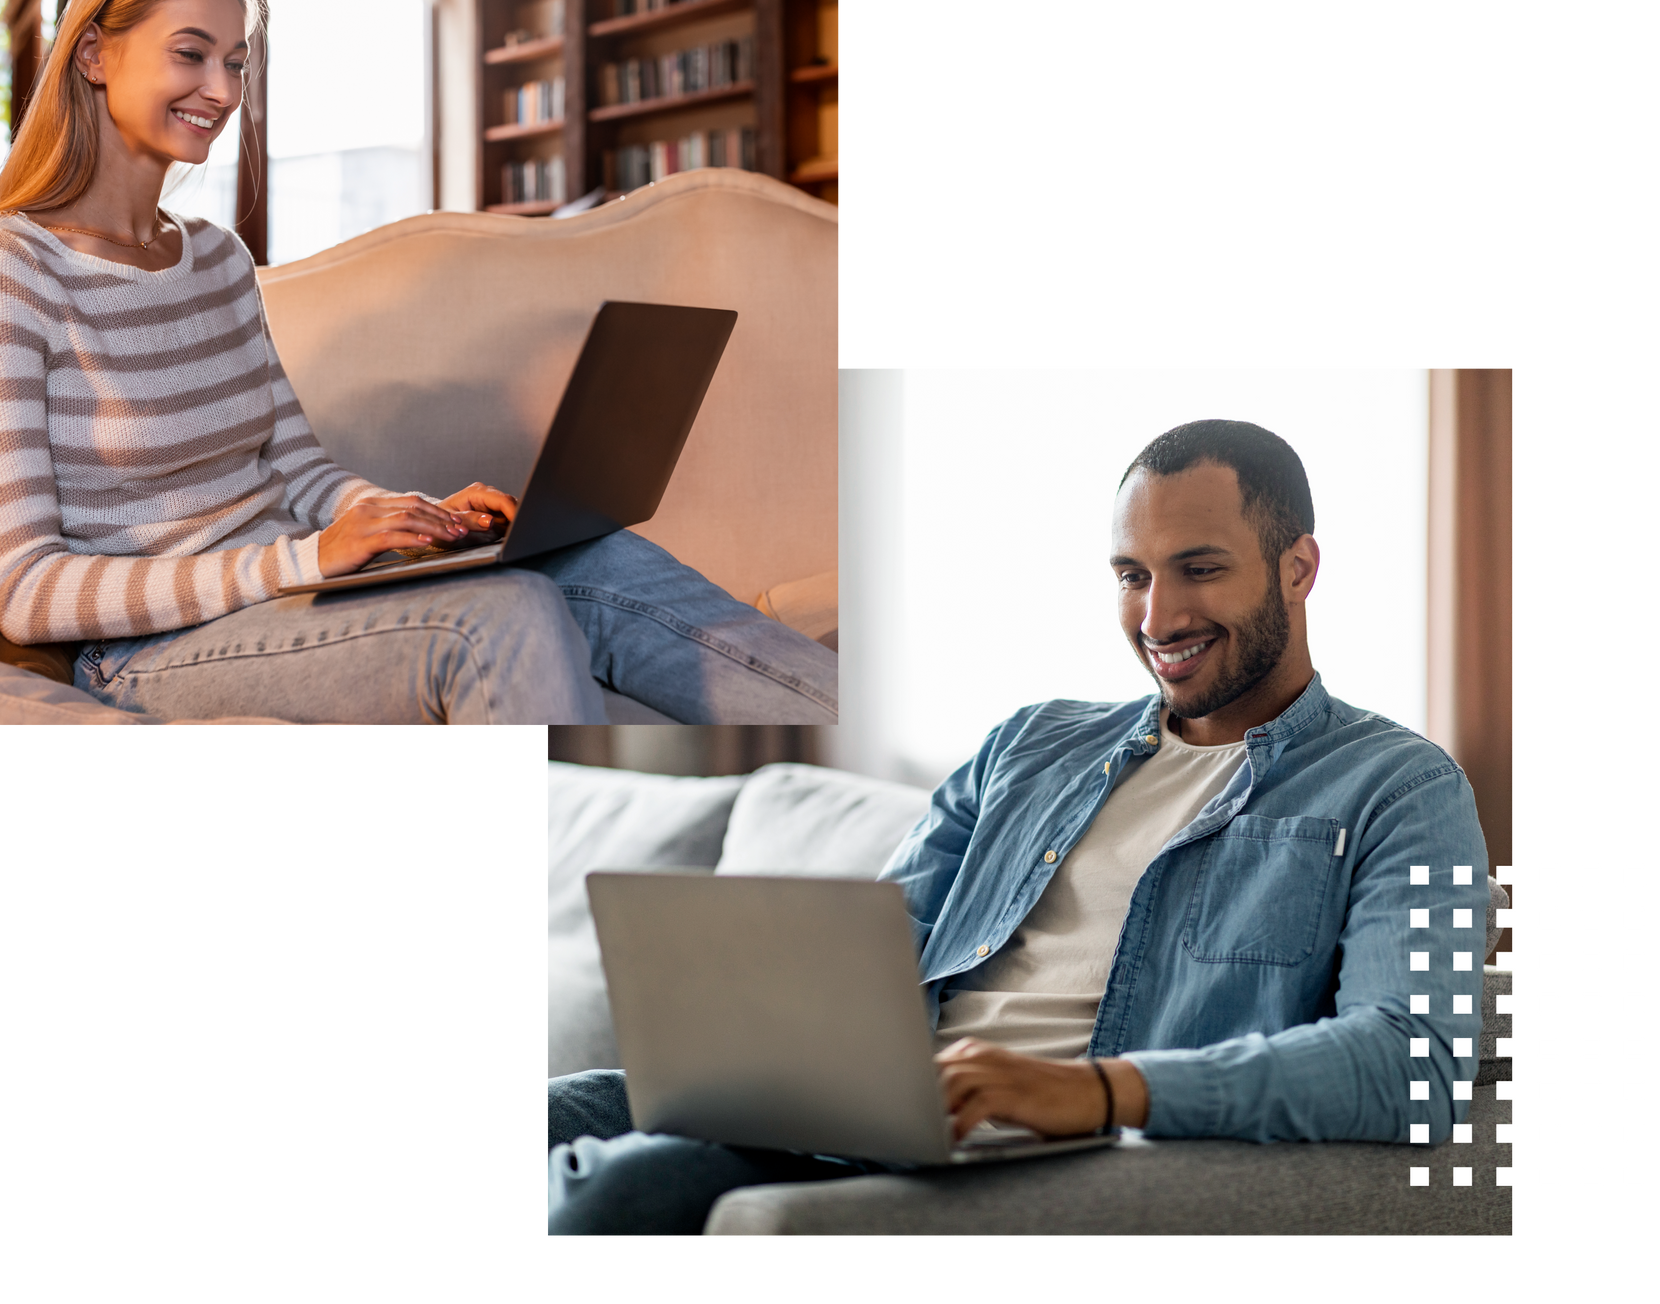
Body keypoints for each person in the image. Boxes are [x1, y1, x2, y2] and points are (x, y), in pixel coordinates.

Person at [545, 419, 1490, 1235]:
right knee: (560, 1112)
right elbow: (880, 945)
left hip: (1040, 1149)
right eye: (1132, 574)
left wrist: (1103, 1090)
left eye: (1199, 569)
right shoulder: (1030, 743)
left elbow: (1416, 1064)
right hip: (876, 1109)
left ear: (1300, 567)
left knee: (621, 1192)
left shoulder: (1403, 788)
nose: (1157, 616)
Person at [0, 0, 834, 727]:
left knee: (591, 553)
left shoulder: (214, 259)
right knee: (504, 615)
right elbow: (24, 588)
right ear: (94, 53)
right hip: (147, 650)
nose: (222, 89)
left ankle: (933, 768)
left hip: (291, 592)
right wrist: (298, 560)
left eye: (238, 62)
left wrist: (409, 519)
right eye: (191, 53)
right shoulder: (2, 269)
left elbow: (296, 466)